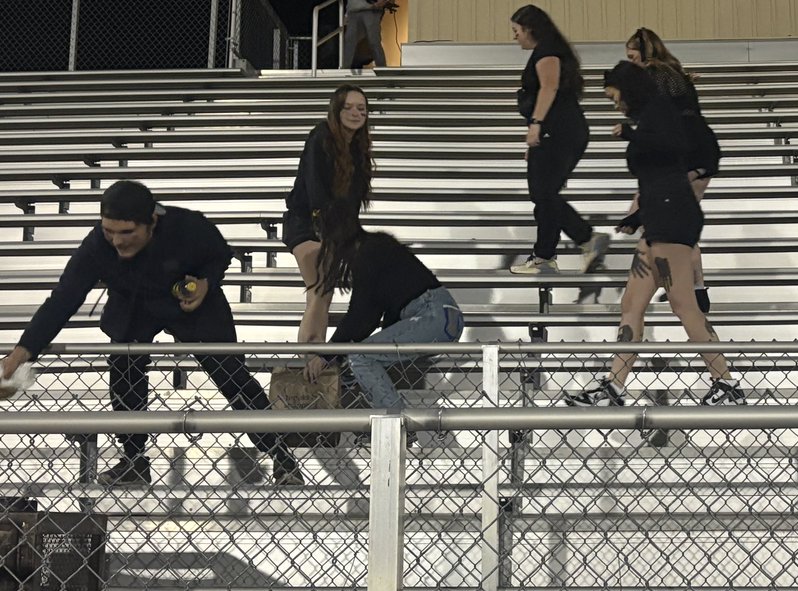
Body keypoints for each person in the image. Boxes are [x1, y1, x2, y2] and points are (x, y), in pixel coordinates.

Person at [0, 181, 302, 486]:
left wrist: (206, 283)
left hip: (190, 304)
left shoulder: (187, 226)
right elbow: (64, 298)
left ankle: (282, 457)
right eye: (109, 231)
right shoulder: (97, 245)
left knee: (231, 375)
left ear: (151, 222)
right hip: (133, 304)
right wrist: (22, 352)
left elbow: (220, 254)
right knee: (123, 369)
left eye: (127, 232)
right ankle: (133, 460)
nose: (116, 241)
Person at [565, 61, 744, 409]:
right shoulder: (649, 117)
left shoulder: (658, 113)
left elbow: (673, 149)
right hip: (659, 217)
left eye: (614, 97)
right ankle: (615, 385)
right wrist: (637, 216)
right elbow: (661, 176)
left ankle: (726, 383)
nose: (614, 104)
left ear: (628, 89)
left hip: (672, 221)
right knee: (631, 305)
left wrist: (633, 136)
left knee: (683, 306)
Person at [303, 198, 464, 426]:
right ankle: (388, 418)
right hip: (442, 315)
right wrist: (336, 356)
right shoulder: (375, 246)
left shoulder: (367, 254)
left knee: (360, 357)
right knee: (359, 358)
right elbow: (371, 316)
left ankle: (395, 425)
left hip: (431, 314)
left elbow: (360, 316)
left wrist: (326, 356)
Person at [624, 27, 721, 313]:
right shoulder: (671, 71)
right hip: (700, 151)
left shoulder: (653, 74)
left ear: (644, 54)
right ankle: (696, 288)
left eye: (632, 56)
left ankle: (687, 288)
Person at [509, 4, 609, 275]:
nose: (514, 36)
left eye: (516, 30)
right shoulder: (549, 50)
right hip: (560, 131)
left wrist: (537, 125)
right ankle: (544, 255)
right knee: (545, 196)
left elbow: (549, 87)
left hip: (559, 130)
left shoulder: (547, 52)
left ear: (530, 29)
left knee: (542, 193)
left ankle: (586, 237)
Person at [284, 84, 374, 344]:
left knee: (322, 294)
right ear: (336, 110)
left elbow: (353, 202)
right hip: (307, 224)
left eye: (361, 108)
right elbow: (315, 188)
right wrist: (328, 229)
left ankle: (314, 358)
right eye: (348, 107)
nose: (356, 113)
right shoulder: (321, 136)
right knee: (320, 290)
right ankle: (310, 359)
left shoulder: (358, 150)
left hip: (333, 227)